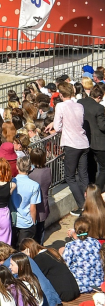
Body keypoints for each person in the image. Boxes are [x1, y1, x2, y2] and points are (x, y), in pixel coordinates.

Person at [47, 81, 90, 212]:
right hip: (83, 142)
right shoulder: (79, 105)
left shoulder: (60, 106)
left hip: (72, 144)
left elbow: (58, 127)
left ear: (60, 94)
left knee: (70, 177)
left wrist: (54, 126)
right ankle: (89, 204)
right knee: (83, 174)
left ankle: (82, 205)